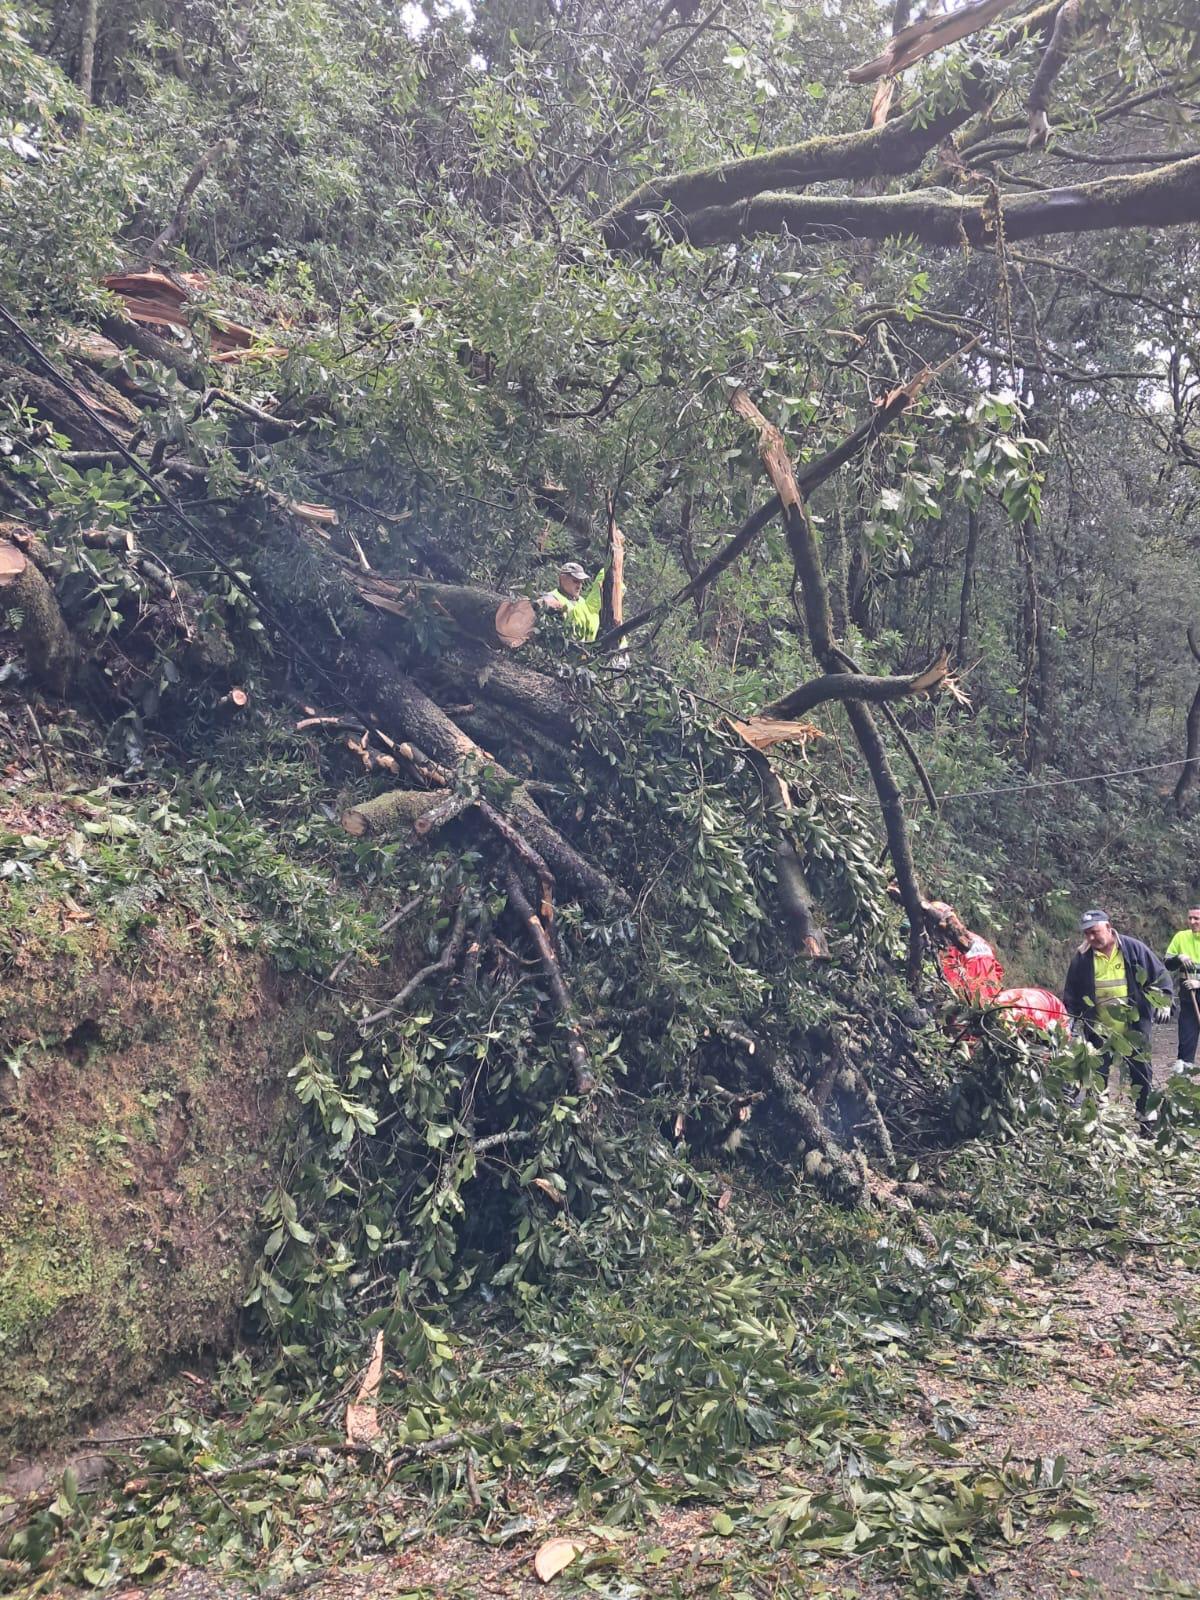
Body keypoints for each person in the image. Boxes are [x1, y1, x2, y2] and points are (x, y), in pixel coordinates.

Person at [1062, 909, 1172, 1129]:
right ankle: (1099, 1125)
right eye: (1087, 934)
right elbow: (1071, 993)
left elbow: (1159, 975)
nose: (1091, 938)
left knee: (1141, 1074)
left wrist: (1165, 1000)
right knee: (1098, 1075)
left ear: (1108, 927)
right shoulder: (1082, 958)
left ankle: (1146, 1120)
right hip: (1100, 1028)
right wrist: (1069, 1021)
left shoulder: (1133, 949)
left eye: (1094, 932)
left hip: (1134, 1026)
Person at [1164, 906, 1200, 1072]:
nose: (1192, 922)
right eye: (1190, 918)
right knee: (1187, 1033)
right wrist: (1179, 958)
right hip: (1188, 994)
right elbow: (1168, 963)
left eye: (1196, 919)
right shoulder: (1181, 937)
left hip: (1196, 987)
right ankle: (1183, 1073)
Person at [537, 561, 605, 643]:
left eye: (581, 582)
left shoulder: (582, 601)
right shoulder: (551, 597)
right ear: (562, 578)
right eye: (575, 581)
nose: (579, 586)